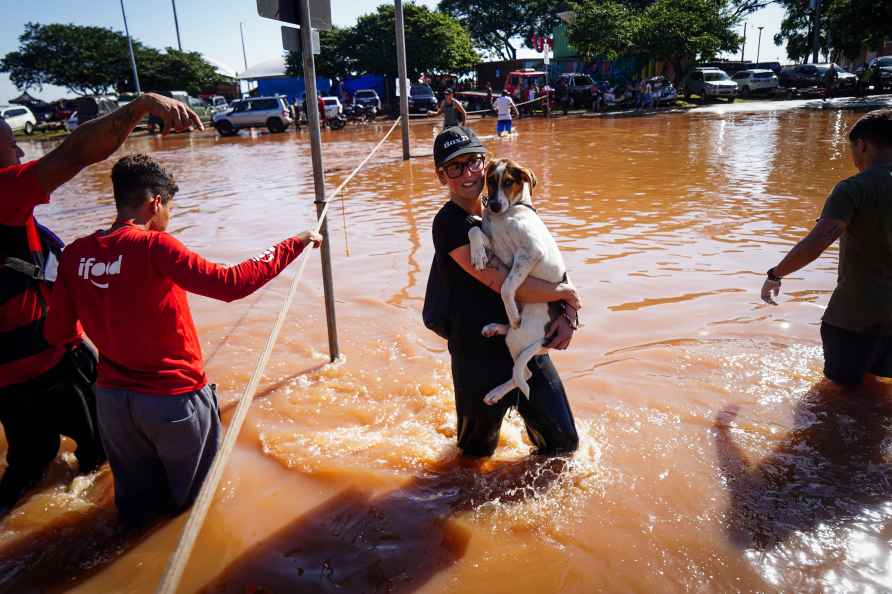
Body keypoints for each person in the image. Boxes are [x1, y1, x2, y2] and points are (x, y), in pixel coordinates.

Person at [43, 153, 322, 528]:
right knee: (195, 512)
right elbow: (231, 284)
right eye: (169, 208)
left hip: (112, 404)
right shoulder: (156, 247)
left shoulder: (76, 254)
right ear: (155, 202)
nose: (168, 218)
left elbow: (58, 333)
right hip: (172, 400)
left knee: (136, 512)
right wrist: (296, 241)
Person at [0, 93, 201, 517]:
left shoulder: (80, 250)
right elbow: (74, 153)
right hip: (51, 362)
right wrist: (140, 105)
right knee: (103, 457)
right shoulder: (5, 193)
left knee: (27, 465)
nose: (19, 150)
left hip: (5, 379)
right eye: (10, 144)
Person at [430, 126, 580, 458]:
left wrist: (569, 315)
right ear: (442, 176)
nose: (468, 173)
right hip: (478, 356)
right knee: (475, 456)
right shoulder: (450, 224)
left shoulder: (513, 212)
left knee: (563, 445)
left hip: (526, 341)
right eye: (455, 167)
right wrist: (567, 296)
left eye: (474, 162)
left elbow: (551, 263)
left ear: (487, 166)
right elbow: (503, 283)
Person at [761, 109, 892, 389]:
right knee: (875, 389)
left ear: (863, 145)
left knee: (839, 396)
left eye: (852, 149)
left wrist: (775, 274)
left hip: (855, 315)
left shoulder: (854, 189)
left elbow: (818, 241)